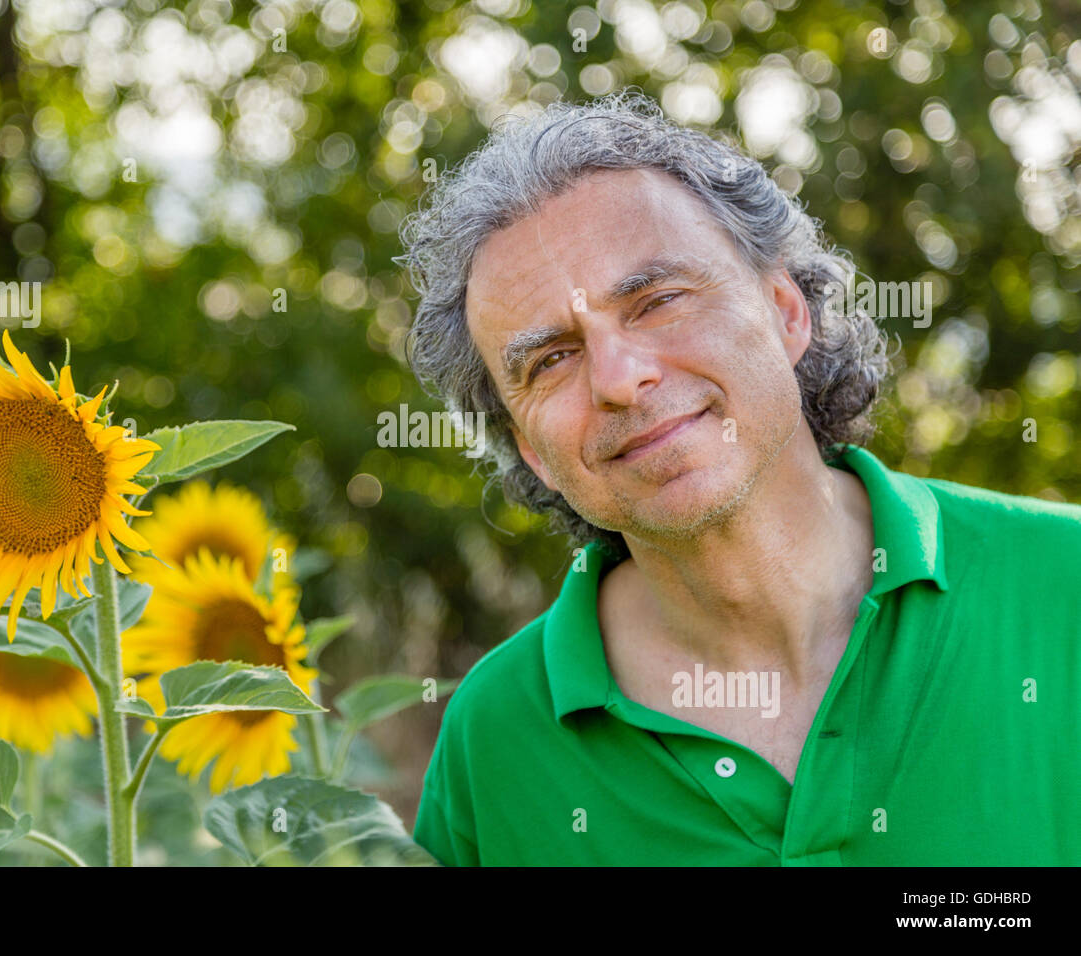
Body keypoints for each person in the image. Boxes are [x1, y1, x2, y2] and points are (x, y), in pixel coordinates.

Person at [395, 90, 1081, 866]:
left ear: (788, 309)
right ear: (530, 448)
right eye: (551, 358)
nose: (619, 378)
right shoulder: (493, 743)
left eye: (658, 301)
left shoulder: (1066, 591)